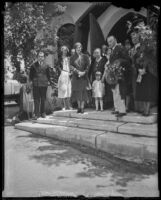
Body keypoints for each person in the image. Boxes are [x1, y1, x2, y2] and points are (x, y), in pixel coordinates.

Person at [107, 35, 130, 117]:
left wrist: (119, 61)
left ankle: (122, 110)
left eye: (111, 41)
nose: (109, 43)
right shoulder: (112, 51)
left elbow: (127, 60)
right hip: (113, 74)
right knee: (115, 91)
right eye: (108, 42)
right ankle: (117, 109)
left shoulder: (120, 48)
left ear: (115, 40)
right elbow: (111, 62)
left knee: (120, 91)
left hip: (120, 74)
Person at [29, 51, 54, 119]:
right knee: (36, 99)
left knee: (43, 99)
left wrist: (50, 83)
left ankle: (43, 112)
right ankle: (37, 114)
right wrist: (31, 83)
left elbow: (48, 75)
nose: (41, 57)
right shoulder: (33, 65)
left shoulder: (46, 65)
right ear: (37, 57)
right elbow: (31, 76)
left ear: (44, 57)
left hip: (44, 84)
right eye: (39, 56)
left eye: (42, 56)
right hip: (36, 84)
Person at [70, 42, 90, 114]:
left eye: (80, 47)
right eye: (77, 47)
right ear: (75, 49)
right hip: (76, 77)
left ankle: (82, 107)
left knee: (83, 92)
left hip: (83, 77)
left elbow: (88, 66)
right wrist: (78, 72)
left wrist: (84, 72)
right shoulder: (72, 57)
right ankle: (79, 107)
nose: (79, 49)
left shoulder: (85, 56)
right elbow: (71, 66)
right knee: (78, 92)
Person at [57, 45, 72, 110]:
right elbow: (58, 66)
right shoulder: (60, 58)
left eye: (66, 50)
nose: (64, 51)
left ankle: (68, 105)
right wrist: (61, 72)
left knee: (68, 89)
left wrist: (70, 72)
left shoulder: (68, 58)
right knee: (63, 89)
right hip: (63, 73)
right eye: (63, 50)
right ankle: (62, 106)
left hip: (68, 74)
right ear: (61, 51)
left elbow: (71, 66)